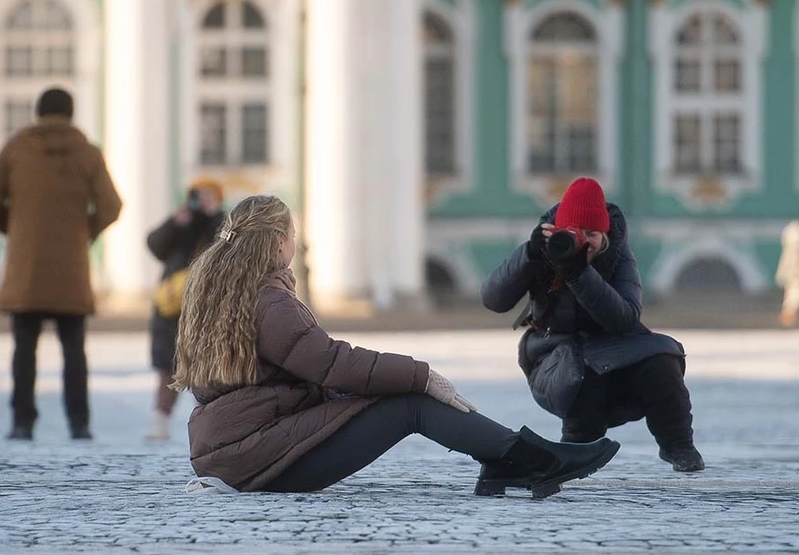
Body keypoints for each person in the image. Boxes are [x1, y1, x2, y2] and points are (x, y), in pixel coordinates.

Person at [171, 195, 620, 497]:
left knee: (398, 395)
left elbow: (308, 370)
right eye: (291, 233)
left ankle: (513, 459)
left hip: (238, 449)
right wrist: (421, 374)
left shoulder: (224, 290)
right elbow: (329, 364)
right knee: (412, 403)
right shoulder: (268, 300)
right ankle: (532, 461)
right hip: (260, 458)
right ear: (276, 242)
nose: (296, 240)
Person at [481, 177, 704, 473]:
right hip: (553, 353)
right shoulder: (543, 250)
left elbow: (624, 318)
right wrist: (528, 255)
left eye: (592, 233)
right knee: (580, 369)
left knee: (661, 358)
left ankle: (679, 447)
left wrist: (579, 273)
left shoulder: (618, 255)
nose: (583, 241)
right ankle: (577, 449)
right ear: (558, 231)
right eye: (574, 232)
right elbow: (493, 300)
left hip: (614, 346)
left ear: (605, 234)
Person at [0, 87, 123, 441]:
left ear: (38, 112)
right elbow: (111, 205)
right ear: (71, 113)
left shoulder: (17, 148)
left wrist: (12, 226)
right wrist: (85, 232)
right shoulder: (88, 153)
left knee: (24, 348)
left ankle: (22, 421)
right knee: (74, 349)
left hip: (26, 268)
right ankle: (79, 422)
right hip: (70, 269)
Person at [144, 177, 226, 441]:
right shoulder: (183, 224)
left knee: (207, 371)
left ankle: (210, 426)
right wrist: (174, 221)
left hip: (206, 307)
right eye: (197, 195)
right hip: (171, 310)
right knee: (169, 370)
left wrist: (214, 215)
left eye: (207, 195)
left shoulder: (222, 224)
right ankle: (160, 423)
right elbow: (155, 245)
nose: (200, 201)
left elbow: (227, 246)